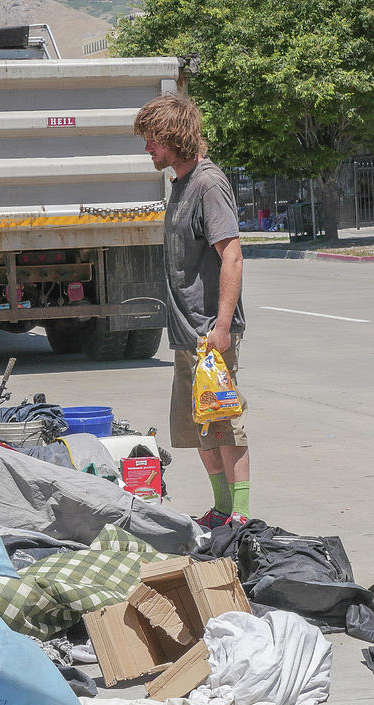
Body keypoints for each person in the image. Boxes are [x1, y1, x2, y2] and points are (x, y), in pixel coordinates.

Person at [134, 94, 251, 529]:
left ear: (173, 137)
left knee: (223, 423)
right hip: (188, 335)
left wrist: (222, 327)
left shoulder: (207, 183)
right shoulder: (181, 184)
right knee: (197, 427)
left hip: (209, 334)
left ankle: (239, 516)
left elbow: (232, 256)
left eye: (152, 140)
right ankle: (221, 510)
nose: (147, 148)